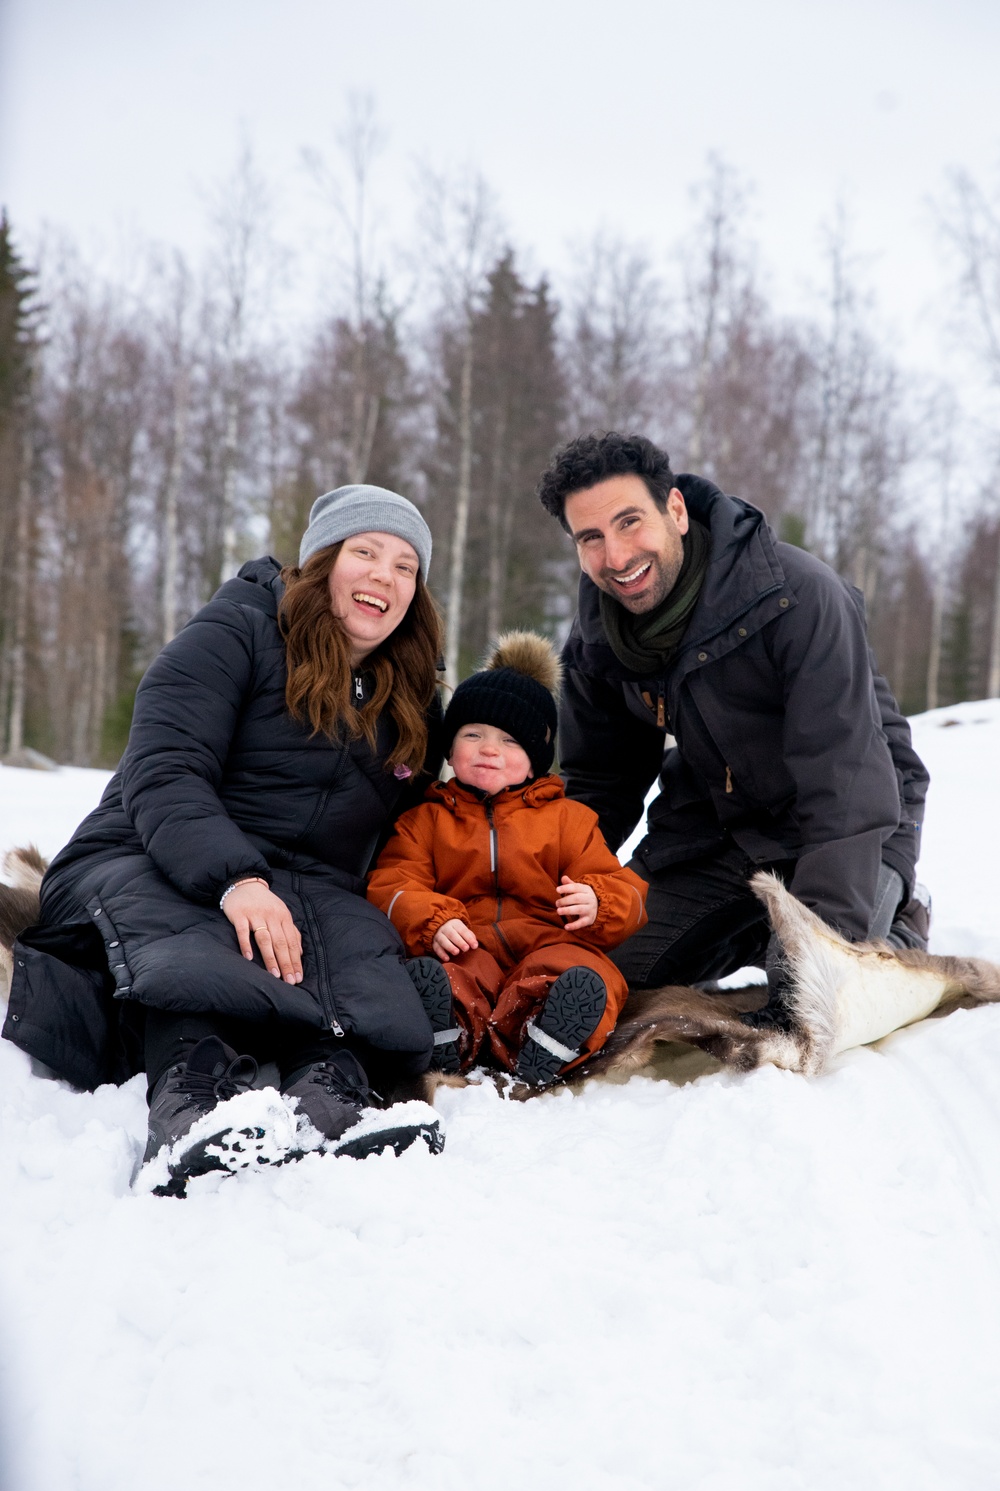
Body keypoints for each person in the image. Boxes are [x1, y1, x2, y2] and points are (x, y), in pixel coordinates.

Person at [3, 484, 449, 1191]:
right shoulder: (235, 633)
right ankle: (189, 1102)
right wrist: (238, 880)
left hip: (301, 885)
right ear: (323, 562)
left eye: (404, 566)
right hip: (147, 851)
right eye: (365, 552)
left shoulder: (411, 698)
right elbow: (164, 769)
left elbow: (436, 818)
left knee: (357, 949)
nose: (383, 577)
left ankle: (331, 1099)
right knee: (197, 929)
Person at [535, 432, 930, 1028]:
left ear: (675, 509)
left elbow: (844, 780)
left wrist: (817, 950)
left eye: (629, 522)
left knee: (814, 997)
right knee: (604, 973)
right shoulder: (598, 638)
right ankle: (746, 931)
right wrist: (542, 889)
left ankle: (898, 918)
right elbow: (600, 780)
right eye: (591, 538)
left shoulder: (797, 598)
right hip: (718, 828)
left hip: (854, 822)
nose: (615, 557)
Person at [367, 632, 648, 1085]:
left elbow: (624, 889)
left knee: (580, 972)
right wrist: (432, 920)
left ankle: (546, 1036)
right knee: (449, 976)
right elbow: (392, 885)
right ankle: (452, 1033)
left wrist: (601, 902)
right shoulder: (426, 820)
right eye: (472, 734)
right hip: (468, 942)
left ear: (537, 759)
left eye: (510, 741)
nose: (489, 749)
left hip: (546, 939)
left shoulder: (568, 820)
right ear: (450, 749)